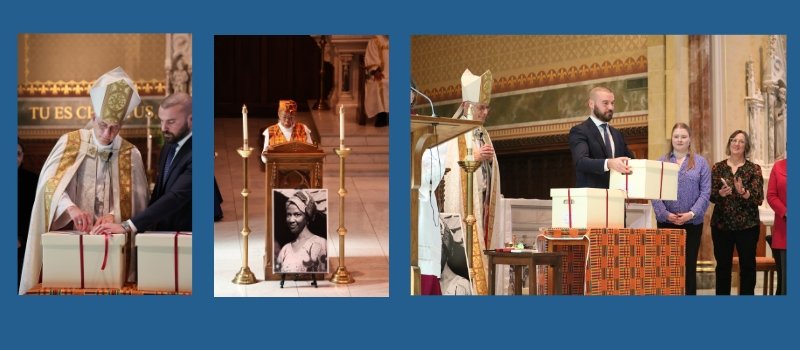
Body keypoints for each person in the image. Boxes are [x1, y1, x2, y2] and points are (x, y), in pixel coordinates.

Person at [19, 67, 149, 295]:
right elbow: (49, 185)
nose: (108, 133)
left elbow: (140, 206)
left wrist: (115, 216)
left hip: (111, 245)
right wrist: (70, 208)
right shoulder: (69, 143)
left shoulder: (131, 154)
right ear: (93, 118)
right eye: (102, 125)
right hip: (71, 238)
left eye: (114, 128)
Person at [95, 92, 193, 235]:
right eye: (161, 120)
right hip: (163, 234)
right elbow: (159, 194)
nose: (163, 128)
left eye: (171, 122)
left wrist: (127, 226)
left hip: (186, 235)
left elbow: (176, 196)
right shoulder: (169, 146)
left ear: (191, 120)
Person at [442, 69, 500, 295]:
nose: (485, 112)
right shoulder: (454, 130)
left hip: (481, 202)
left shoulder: (482, 133)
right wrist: (474, 157)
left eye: (487, 107)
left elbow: (490, 168)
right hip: (465, 204)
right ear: (467, 106)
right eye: (481, 107)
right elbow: (448, 166)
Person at [651, 123, 711, 295]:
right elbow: (654, 192)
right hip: (666, 222)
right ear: (672, 138)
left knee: (689, 266)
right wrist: (665, 214)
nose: (679, 139)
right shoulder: (661, 162)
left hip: (692, 224)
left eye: (683, 136)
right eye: (676, 136)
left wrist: (691, 214)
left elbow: (706, 193)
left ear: (689, 139)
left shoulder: (700, 163)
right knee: (668, 267)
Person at [710, 130, 764, 295]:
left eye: (741, 141)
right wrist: (720, 193)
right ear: (729, 144)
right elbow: (710, 195)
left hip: (747, 226)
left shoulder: (754, 169)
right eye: (734, 140)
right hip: (721, 225)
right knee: (723, 267)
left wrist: (743, 192)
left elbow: (759, 198)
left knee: (747, 267)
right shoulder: (718, 167)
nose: (737, 144)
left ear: (746, 146)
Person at [568, 86, 634, 188]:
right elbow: (581, 161)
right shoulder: (580, 131)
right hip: (591, 197)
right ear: (591, 104)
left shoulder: (617, 134)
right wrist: (609, 163)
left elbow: (631, 160)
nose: (611, 108)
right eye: (605, 103)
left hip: (617, 195)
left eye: (612, 103)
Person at [275, 190, 327, 273]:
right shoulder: (286, 249)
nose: (291, 220)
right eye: (289, 214)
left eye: (297, 214)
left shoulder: (321, 243)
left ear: (307, 217)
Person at [17, 139, 38, 287]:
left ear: (23, 156)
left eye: (17, 154)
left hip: (23, 244)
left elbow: (35, 215)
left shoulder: (33, 180)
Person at [766, 157, 786, 295]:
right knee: (787, 282)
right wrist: (786, 212)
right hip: (785, 230)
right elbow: (771, 196)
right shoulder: (778, 167)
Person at [364, 35, 389, 127]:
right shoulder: (375, 40)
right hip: (380, 74)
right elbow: (371, 58)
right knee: (380, 84)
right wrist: (375, 71)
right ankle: (382, 115)